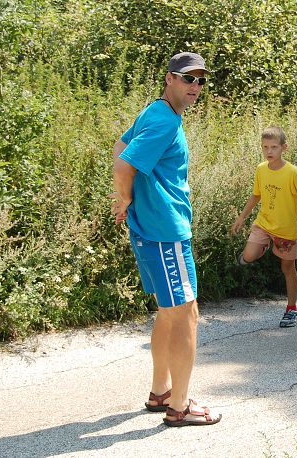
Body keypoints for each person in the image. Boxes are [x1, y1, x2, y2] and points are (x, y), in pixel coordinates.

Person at [112, 51, 221, 427]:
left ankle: (161, 392)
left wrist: (129, 199)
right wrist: (125, 197)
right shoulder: (163, 120)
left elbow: (120, 146)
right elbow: (124, 162)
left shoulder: (156, 112)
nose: (195, 86)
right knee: (187, 314)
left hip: (153, 231)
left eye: (200, 80)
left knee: (168, 311)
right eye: (188, 78)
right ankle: (180, 406)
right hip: (165, 233)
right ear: (169, 78)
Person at [231, 126, 297, 328]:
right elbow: (256, 195)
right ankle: (261, 246)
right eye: (265, 147)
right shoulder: (261, 169)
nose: (269, 151)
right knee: (248, 255)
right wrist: (242, 217)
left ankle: (292, 310)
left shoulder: (293, 172)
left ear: (284, 147)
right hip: (264, 224)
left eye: (274, 147)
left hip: (286, 231)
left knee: (287, 268)